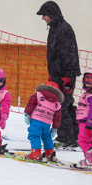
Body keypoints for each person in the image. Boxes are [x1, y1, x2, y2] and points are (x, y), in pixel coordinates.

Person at [37, 1, 81, 148]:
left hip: (65, 75)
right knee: (66, 104)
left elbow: (69, 54)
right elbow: (54, 54)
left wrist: (67, 77)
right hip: (58, 74)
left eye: (45, 15)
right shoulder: (54, 28)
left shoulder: (64, 29)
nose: (43, 18)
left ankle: (65, 138)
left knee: (62, 104)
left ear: (52, 14)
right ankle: (75, 135)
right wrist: (53, 74)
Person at [24, 81, 64, 161]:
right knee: (46, 136)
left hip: (36, 119)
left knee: (34, 135)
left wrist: (27, 114)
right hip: (47, 122)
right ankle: (50, 153)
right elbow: (57, 117)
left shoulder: (38, 95)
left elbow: (31, 104)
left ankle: (35, 153)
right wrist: (54, 128)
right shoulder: (57, 104)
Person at [75, 68, 92, 169]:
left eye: (91, 79)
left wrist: (89, 125)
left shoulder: (90, 96)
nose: (88, 81)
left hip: (86, 123)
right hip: (84, 122)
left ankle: (90, 161)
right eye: (86, 78)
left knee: (83, 141)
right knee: (88, 141)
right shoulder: (86, 94)